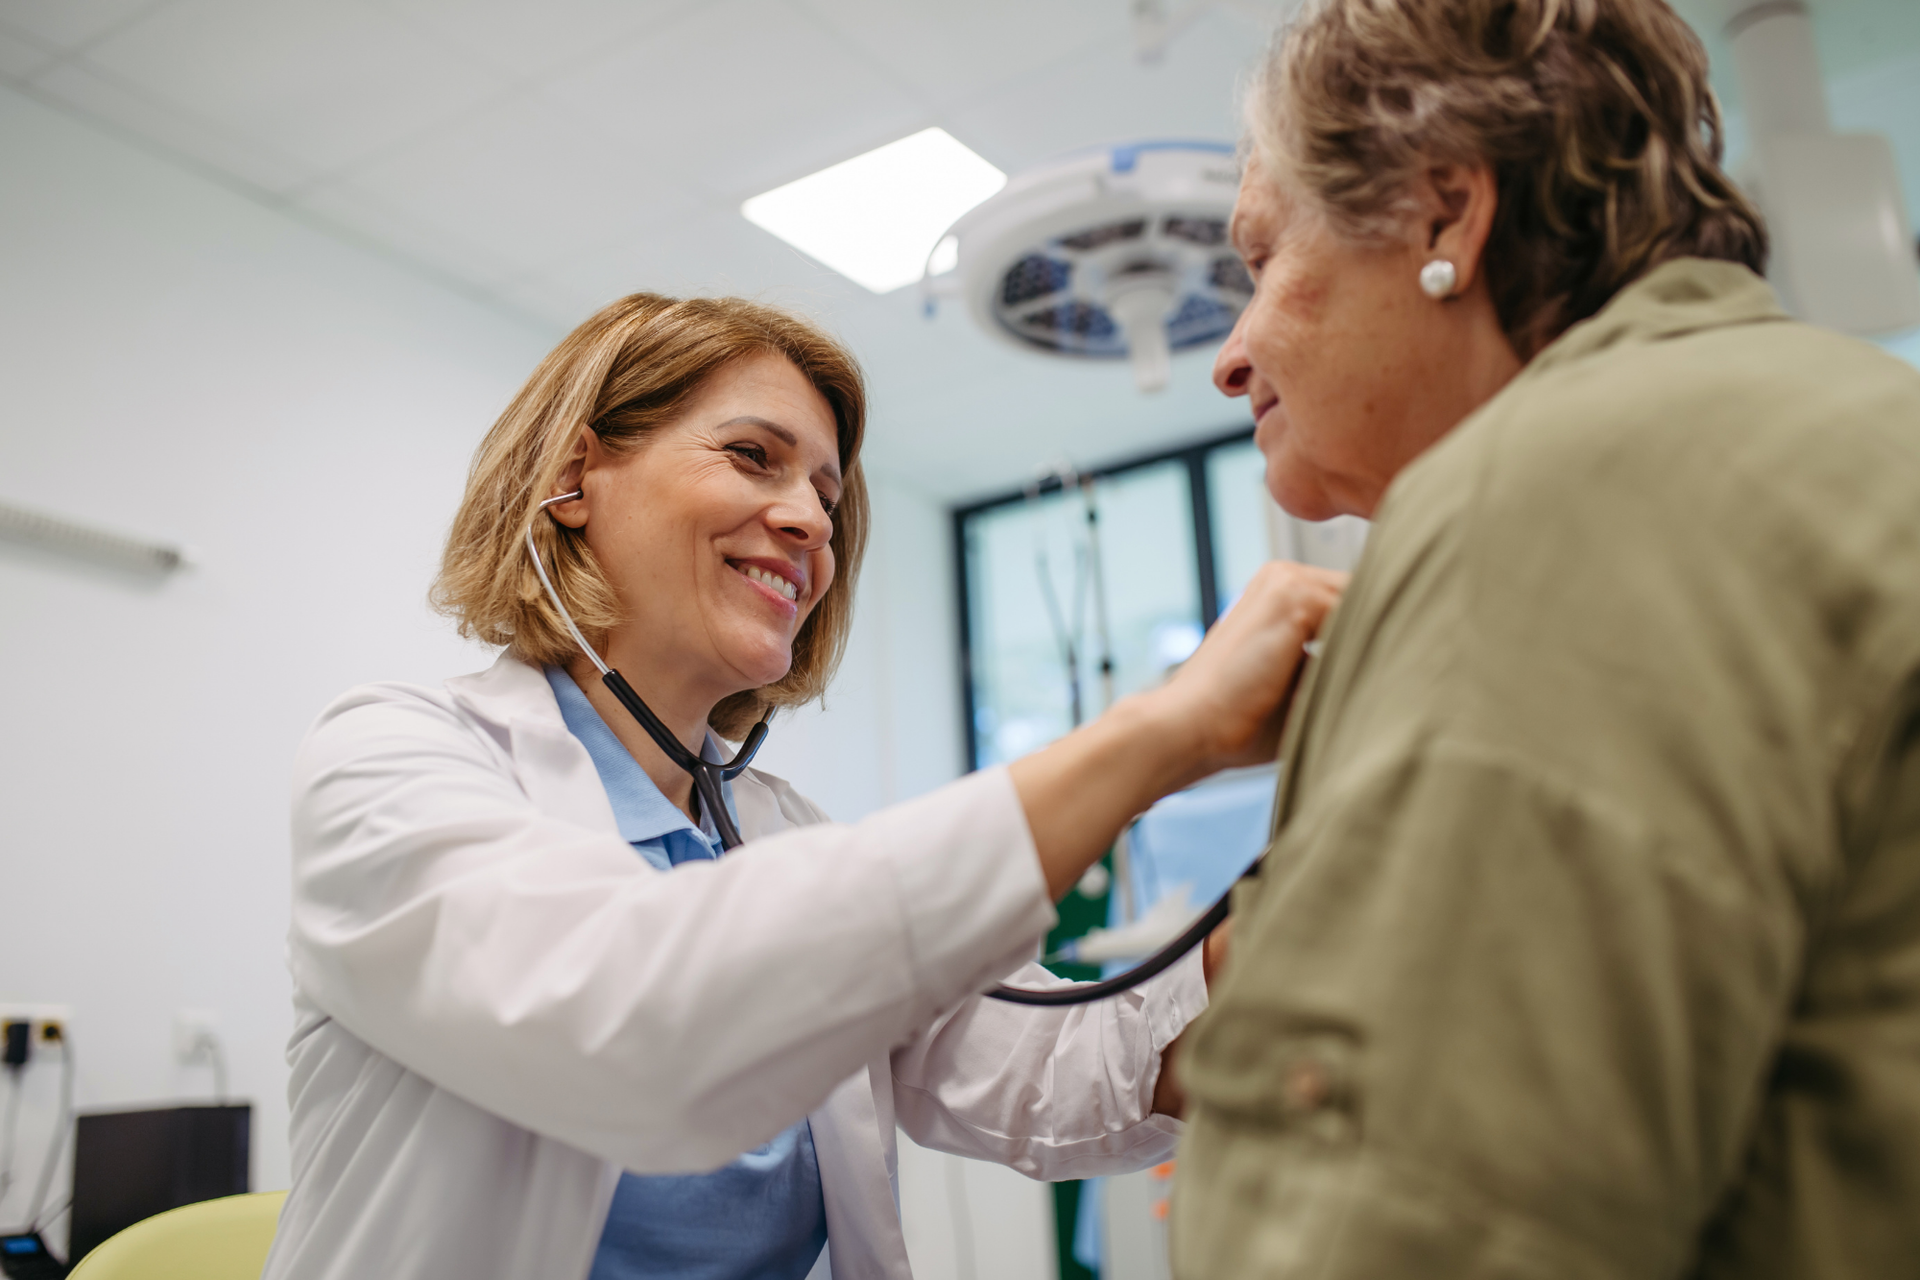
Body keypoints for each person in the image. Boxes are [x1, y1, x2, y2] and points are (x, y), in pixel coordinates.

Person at [262, 294, 1343, 1280]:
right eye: (753, 456)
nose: (813, 520)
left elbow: (1058, 1065)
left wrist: (1340, 920)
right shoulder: (394, 758)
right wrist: (1161, 735)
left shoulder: (776, 836)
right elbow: (640, 1025)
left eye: (825, 491)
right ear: (576, 476)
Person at [1171, 0, 1920, 1275]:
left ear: (1443, 215)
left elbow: (1417, 1234)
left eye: (1258, 262)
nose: (1229, 362)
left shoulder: (1557, 491)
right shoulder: (1848, 418)